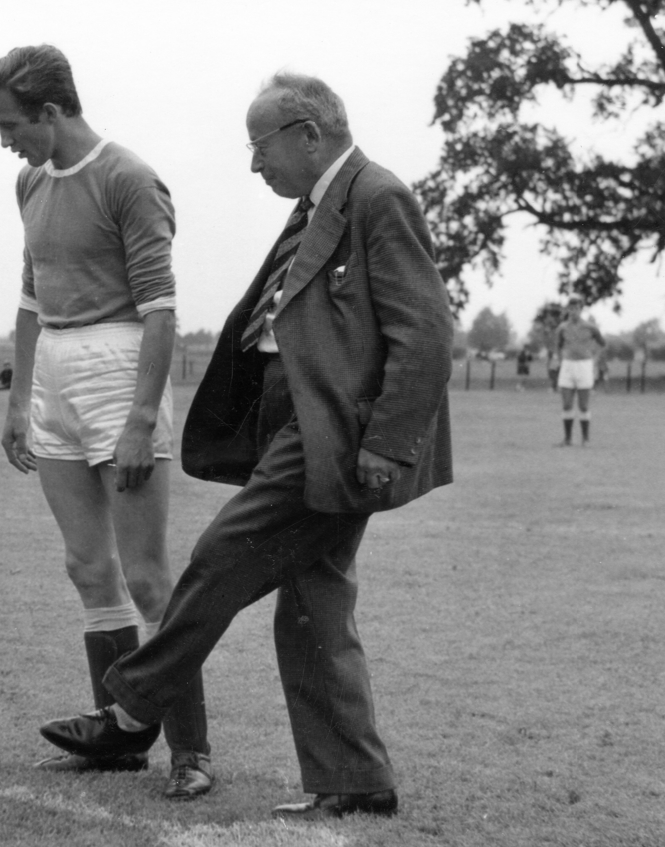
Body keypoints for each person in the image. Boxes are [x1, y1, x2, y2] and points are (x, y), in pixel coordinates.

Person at [38, 72, 453, 820]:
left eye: (259, 146)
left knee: (221, 552)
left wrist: (387, 443)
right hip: (284, 416)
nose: (254, 163)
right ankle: (354, 779)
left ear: (307, 134)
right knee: (312, 603)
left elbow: (423, 332)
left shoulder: (376, 195)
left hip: (332, 432)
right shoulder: (317, 204)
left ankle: (130, 705)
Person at [0, 45, 212, 799]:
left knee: (146, 574)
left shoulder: (128, 179)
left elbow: (162, 309)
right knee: (87, 566)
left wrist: (142, 417)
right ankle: (118, 737)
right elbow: (31, 297)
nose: (4, 140)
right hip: (56, 373)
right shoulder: (29, 181)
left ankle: (191, 750)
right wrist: (18, 398)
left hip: (120, 369)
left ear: (51, 111)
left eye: (12, 124)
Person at [555, 297, 605, 446]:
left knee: (583, 405)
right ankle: (567, 439)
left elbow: (602, 344)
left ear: (581, 309)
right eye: (570, 308)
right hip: (568, 366)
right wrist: (560, 360)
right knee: (567, 404)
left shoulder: (590, 327)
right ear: (567, 310)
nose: (573, 311)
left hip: (584, 365)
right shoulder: (562, 327)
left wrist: (595, 359)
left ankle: (585, 439)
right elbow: (558, 346)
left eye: (576, 308)